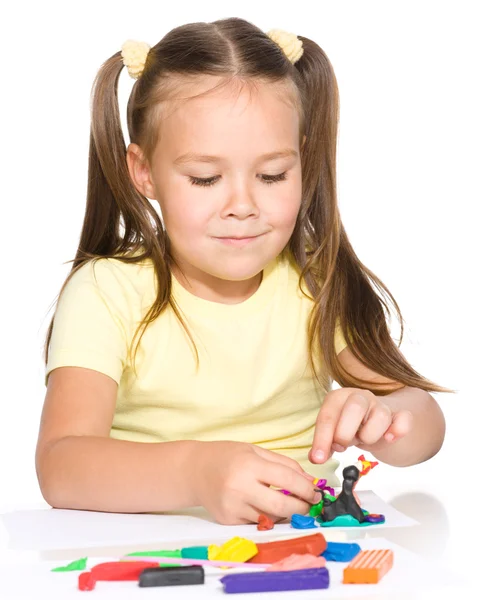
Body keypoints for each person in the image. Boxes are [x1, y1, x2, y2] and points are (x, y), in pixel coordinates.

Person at [35, 17, 452, 526]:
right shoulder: (108, 291)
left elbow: (424, 427)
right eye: (206, 178)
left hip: (307, 550)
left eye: (272, 174)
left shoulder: (313, 281)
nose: (243, 205)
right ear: (144, 171)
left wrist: (388, 420)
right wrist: (196, 471)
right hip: (154, 549)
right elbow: (60, 466)